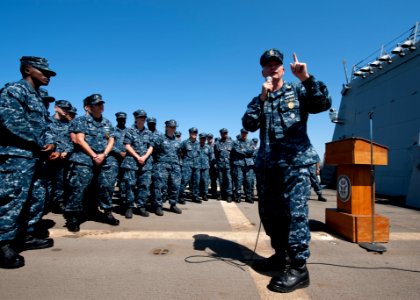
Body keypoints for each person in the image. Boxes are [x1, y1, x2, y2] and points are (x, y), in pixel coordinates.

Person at [242, 49, 331, 293]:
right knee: (270, 215)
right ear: (263, 71)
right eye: (267, 65)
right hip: (268, 168)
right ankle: (281, 256)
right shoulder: (260, 98)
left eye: (276, 64)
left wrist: (306, 78)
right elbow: (248, 124)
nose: (272, 68)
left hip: (295, 164)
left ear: (283, 68)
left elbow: (323, 103)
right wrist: (262, 98)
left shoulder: (298, 90)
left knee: (294, 216)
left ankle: (299, 268)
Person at [0, 56, 56, 269]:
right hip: (17, 156)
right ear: (27, 70)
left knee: (35, 197)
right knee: (13, 199)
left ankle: (25, 236)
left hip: (36, 157)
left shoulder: (38, 97)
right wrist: (41, 142)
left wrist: (50, 142)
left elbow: (47, 125)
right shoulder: (14, 91)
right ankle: (3, 243)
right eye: (43, 71)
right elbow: (12, 122)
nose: (47, 76)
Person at [65, 94, 120, 232]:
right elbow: (79, 139)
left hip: (104, 157)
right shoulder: (81, 121)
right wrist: (94, 155)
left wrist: (104, 154)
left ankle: (106, 211)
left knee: (107, 185)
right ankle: (73, 215)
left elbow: (111, 140)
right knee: (79, 187)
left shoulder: (107, 122)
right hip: (85, 157)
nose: (101, 106)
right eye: (97, 104)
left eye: (101, 103)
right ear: (88, 107)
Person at [121, 109, 154, 218]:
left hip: (145, 163)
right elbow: (127, 145)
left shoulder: (148, 132)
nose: (143, 119)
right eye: (141, 117)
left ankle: (141, 206)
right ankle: (129, 207)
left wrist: (144, 157)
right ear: (136, 118)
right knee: (130, 185)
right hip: (132, 162)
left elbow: (151, 146)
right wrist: (137, 156)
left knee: (144, 185)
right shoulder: (130, 130)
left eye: (144, 117)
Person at [152, 120, 182, 215]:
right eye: (171, 127)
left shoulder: (177, 142)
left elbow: (178, 154)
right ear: (166, 127)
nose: (173, 129)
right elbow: (154, 151)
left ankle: (173, 204)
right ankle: (158, 206)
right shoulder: (160, 139)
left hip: (174, 166)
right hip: (162, 166)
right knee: (160, 187)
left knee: (175, 186)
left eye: (174, 127)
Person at [231, 129, 255, 203]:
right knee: (238, 181)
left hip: (248, 164)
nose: (244, 134)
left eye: (246, 133)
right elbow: (236, 151)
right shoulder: (236, 142)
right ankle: (238, 197)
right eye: (243, 133)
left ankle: (248, 197)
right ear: (241, 133)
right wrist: (246, 152)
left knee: (249, 181)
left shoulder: (250, 141)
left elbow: (252, 150)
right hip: (239, 163)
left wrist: (243, 150)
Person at [179, 127, 201, 203]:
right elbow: (180, 151)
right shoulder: (185, 143)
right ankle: (180, 196)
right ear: (190, 133)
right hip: (187, 165)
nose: (194, 134)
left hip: (196, 165)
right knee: (184, 181)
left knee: (196, 181)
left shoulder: (198, 143)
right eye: (193, 132)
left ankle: (195, 196)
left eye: (195, 133)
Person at [214, 128, 234, 202]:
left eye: (226, 133)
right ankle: (222, 194)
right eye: (223, 133)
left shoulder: (231, 142)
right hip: (220, 165)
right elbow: (216, 154)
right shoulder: (217, 143)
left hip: (229, 165)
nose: (225, 134)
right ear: (220, 134)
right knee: (221, 180)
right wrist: (217, 163)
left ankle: (229, 195)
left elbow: (234, 154)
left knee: (229, 180)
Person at [197, 132, 212, 201]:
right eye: (202, 138)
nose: (203, 139)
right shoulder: (196, 146)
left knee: (205, 181)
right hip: (197, 166)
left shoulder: (208, 147)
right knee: (197, 181)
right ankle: (197, 194)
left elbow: (210, 157)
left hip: (205, 167)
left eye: (204, 138)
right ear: (199, 138)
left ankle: (205, 194)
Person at [206, 133, 218, 199]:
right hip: (206, 165)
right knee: (206, 180)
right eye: (208, 137)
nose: (210, 139)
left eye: (211, 137)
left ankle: (214, 193)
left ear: (212, 138)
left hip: (214, 165)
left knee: (213, 180)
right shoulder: (205, 146)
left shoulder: (216, 145)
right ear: (207, 138)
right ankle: (205, 193)